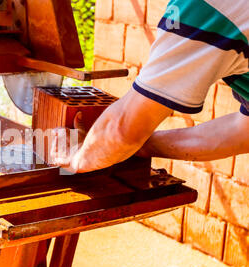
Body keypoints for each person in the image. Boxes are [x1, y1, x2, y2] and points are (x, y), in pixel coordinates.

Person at [51, 0, 249, 173]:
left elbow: (121, 130)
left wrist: (75, 159)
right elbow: (242, 131)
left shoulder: (204, 7)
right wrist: (141, 145)